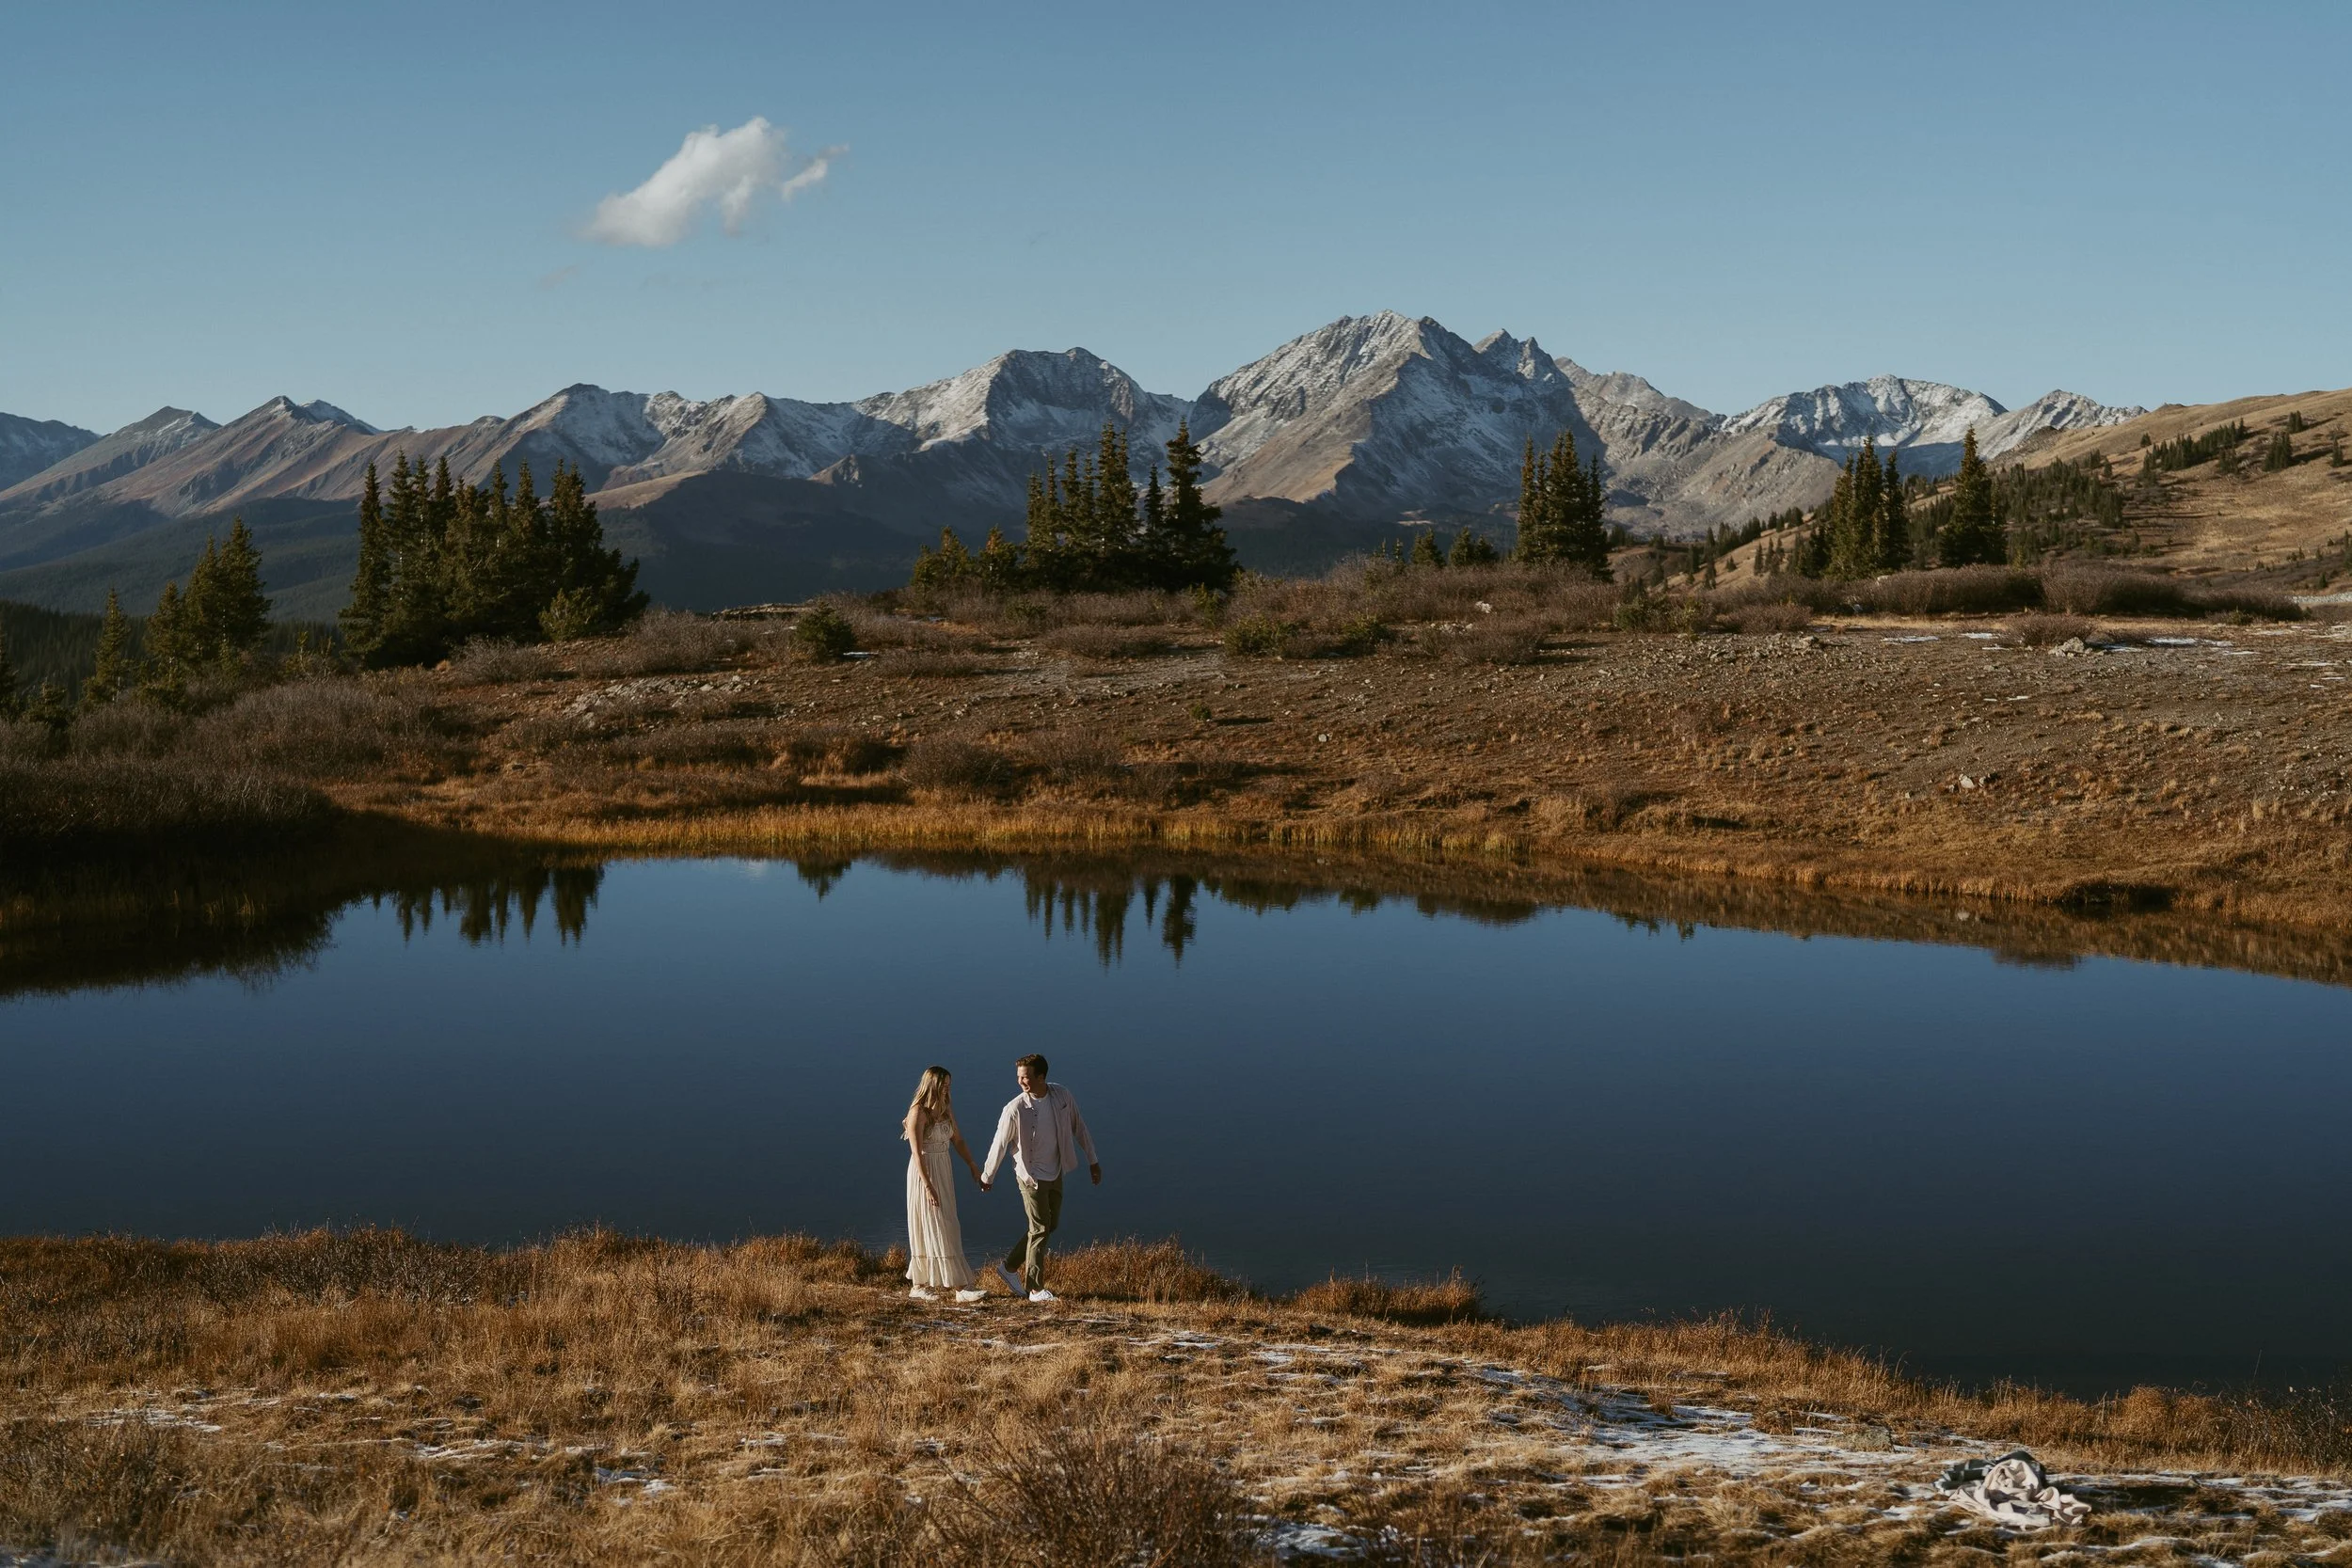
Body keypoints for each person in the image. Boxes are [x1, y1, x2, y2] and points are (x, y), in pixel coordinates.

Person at [980, 1053, 1099, 1303]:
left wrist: (1093, 1160)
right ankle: (1035, 1289)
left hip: (1056, 1171)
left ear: (1042, 1077)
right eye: (1019, 1077)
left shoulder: (1061, 1096)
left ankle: (1009, 1267)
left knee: (1049, 1225)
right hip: (1030, 1176)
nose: (1021, 1082)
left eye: (1026, 1077)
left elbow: (1079, 1126)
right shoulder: (1015, 1109)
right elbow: (999, 1144)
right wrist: (987, 1176)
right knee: (1040, 1228)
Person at [901, 1067, 990, 1303]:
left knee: (948, 1221)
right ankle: (936, 1286)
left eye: (949, 1084)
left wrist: (972, 1165)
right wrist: (927, 1185)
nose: (947, 1088)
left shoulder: (945, 1109)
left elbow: (958, 1139)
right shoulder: (917, 1112)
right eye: (943, 1084)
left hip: (944, 1168)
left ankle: (955, 1285)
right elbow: (917, 1153)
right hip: (925, 1171)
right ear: (932, 1084)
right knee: (931, 1221)